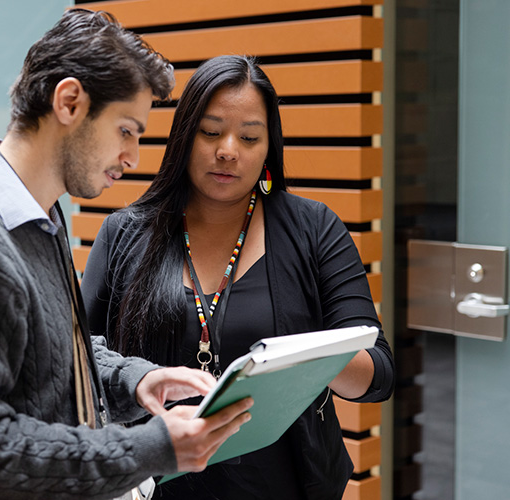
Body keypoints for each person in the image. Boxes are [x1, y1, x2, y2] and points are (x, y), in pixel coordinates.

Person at [0, 10, 255, 500]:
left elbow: (54, 363)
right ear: (69, 102)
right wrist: (152, 447)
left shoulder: (40, 215)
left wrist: (136, 379)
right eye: (127, 130)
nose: (133, 158)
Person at [81, 55, 395, 500]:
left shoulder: (314, 228)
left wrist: (312, 354)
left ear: (269, 147)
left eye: (249, 137)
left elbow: (378, 373)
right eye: (211, 132)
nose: (228, 149)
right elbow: (78, 361)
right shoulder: (124, 234)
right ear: (184, 137)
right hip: (154, 488)